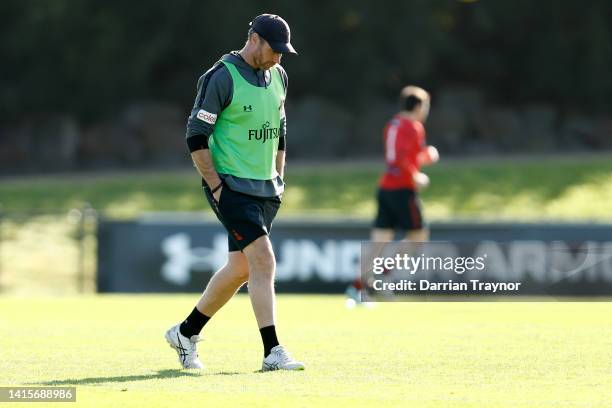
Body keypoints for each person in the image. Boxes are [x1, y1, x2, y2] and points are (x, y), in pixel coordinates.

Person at [165, 14, 304, 372]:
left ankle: (185, 332)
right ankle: (273, 351)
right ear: (254, 40)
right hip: (231, 186)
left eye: (283, 53)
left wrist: (280, 175)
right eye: (274, 50)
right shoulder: (221, 77)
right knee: (263, 260)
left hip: (266, 189)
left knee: (241, 267)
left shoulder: (279, 75)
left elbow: (280, 128)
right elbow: (196, 135)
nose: (278, 58)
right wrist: (215, 184)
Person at [347, 85, 439, 303]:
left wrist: (426, 156)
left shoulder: (393, 124)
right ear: (417, 106)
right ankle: (384, 273)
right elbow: (401, 158)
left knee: (379, 242)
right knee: (419, 236)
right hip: (402, 189)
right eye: (425, 106)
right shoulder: (413, 126)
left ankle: (357, 288)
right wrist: (415, 175)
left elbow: (404, 155)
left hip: (386, 188)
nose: (426, 111)